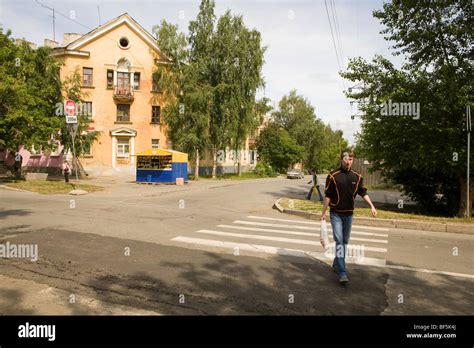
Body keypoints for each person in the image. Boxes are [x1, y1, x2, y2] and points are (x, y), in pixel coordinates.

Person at [320, 149, 377, 285]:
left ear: (353, 160)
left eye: (351, 159)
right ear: (342, 159)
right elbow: (328, 195)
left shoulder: (357, 177)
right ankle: (342, 272)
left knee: (344, 241)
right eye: (346, 158)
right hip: (335, 213)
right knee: (339, 240)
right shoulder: (333, 175)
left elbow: (363, 192)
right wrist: (323, 213)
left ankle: (336, 264)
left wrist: (372, 206)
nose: (348, 161)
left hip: (349, 214)